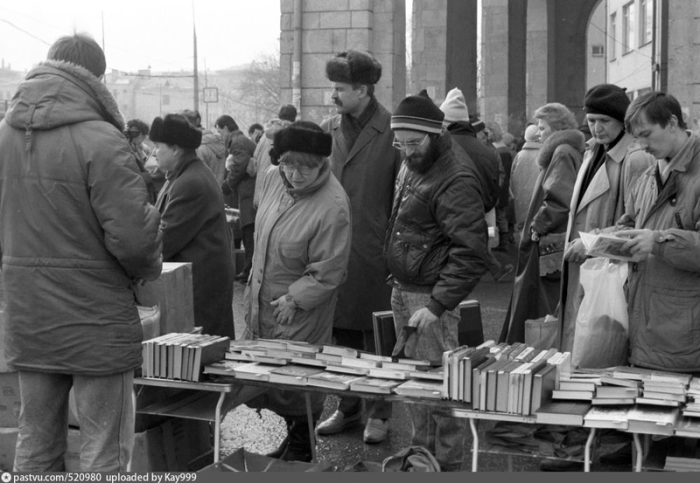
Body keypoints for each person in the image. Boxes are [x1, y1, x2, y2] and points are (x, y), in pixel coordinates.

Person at [0, 33, 162, 472]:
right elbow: (133, 239)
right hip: (95, 318)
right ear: (97, 79)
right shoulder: (102, 138)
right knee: (103, 451)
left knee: (35, 443)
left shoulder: (4, 134)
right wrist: (149, 266)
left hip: (27, 314)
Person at [386, 90, 487, 471]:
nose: (406, 150)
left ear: (435, 134)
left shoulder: (455, 176)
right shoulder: (414, 161)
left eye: (413, 142)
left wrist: (436, 304)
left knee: (443, 390)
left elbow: (470, 251)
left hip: (428, 297)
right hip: (407, 288)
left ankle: (447, 465)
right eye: (400, 143)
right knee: (418, 387)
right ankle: (421, 458)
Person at [244, 121, 351, 462]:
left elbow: (329, 268)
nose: (295, 174)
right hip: (263, 296)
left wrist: (295, 298)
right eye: (288, 164)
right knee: (271, 377)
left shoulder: (333, 204)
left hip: (298, 307)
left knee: (299, 379)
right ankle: (294, 442)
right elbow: (265, 231)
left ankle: (302, 449)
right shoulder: (273, 178)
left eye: (305, 166)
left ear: (321, 162)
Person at [316, 50, 401, 444]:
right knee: (341, 336)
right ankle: (348, 407)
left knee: (378, 338)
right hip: (334, 249)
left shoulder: (393, 131)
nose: (333, 94)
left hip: (377, 251)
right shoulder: (327, 128)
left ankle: (379, 414)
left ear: (363, 90)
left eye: (339, 88)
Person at [560, 84, 654, 354]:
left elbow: (638, 222)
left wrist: (591, 243)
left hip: (609, 270)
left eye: (605, 121)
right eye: (591, 120)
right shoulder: (592, 150)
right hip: (586, 266)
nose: (597, 128)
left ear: (622, 122)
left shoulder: (635, 158)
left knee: (601, 352)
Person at [616, 91, 700, 373]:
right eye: (637, 138)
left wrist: (658, 241)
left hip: (684, 336)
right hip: (648, 326)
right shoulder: (648, 176)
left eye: (647, 135)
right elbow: (630, 223)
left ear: (673, 122)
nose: (642, 145)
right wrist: (604, 239)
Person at [499, 102, 585, 344]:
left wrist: (537, 227)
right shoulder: (566, 151)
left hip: (547, 244)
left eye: (542, 127)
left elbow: (559, 199)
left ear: (556, 128)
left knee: (538, 306)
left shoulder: (562, 152)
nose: (538, 132)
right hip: (552, 243)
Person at [151, 114, 235, 338]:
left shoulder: (190, 182)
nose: (153, 152)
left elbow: (165, 239)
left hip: (200, 285)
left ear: (176, 149)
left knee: (200, 359)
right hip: (199, 280)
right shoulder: (183, 175)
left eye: (158, 146)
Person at [439, 87, 513, 283]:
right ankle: (491, 269)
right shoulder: (488, 151)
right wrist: (484, 205)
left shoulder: (440, 146)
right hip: (478, 208)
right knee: (476, 241)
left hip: (444, 212)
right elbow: (495, 182)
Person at [217, 115, 257, 282]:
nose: (220, 135)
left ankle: (249, 271)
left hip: (249, 193)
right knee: (248, 232)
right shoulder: (240, 140)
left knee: (249, 232)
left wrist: (227, 184)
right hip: (248, 192)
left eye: (220, 131)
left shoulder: (238, 142)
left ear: (226, 128)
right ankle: (248, 269)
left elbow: (239, 166)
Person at [253, 104, 297, 207]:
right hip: (279, 193)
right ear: (295, 117)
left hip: (261, 190)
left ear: (279, 115)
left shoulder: (264, 135)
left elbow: (255, 162)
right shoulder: (292, 135)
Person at [487, 121, 517, 251]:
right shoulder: (509, 151)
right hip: (505, 188)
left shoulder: (494, 151)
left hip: (495, 188)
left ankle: (495, 242)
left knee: (493, 217)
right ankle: (505, 241)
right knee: (502, 216)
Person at [180, 109, 227, 185]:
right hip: (217, 191)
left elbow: (197, 177)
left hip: (203, 193)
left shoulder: (197, 147)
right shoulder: (216, 141)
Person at [510, 124, 542, 236]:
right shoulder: (543, 155)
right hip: (539, 201)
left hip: (521, 200)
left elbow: (512, 180)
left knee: (522, 232)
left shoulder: (519, 155)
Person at [125, 119, 158, 203]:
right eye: (143, 134)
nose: (144, 138)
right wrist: (147, 176)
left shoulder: (140, 147)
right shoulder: (126, 149)